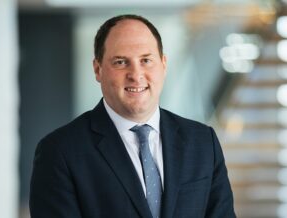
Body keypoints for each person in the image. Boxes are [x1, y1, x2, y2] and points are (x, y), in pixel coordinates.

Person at [29, 14, 236, 218]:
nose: (136, 75)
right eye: (120, 62)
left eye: (146, 60)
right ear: (98, 69)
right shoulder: (59, 152)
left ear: (163, 65)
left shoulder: (202, 142)